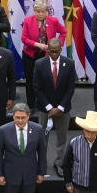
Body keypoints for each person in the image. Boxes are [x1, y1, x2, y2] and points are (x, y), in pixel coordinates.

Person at [33, 38, 77, 178]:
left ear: (60, 49)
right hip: (44, 109)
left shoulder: (69, 64)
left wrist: (60, 107)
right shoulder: (39, 64)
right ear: (48, 50)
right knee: (42, 138)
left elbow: (70, 88)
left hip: (63, 109)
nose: (53, 54)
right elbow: (37, 88)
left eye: (56, 51)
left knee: (61, 138)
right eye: (51, 51)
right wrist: (49, 107)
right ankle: (41, 164)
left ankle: (60, 163)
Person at [20, 0, 66, 112]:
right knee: (30, 80)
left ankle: (45, 103)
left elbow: (63, 32)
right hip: (30, 55)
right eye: (38, 11)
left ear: (47, 11)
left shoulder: (53, 21)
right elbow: (24, 38)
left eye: (43, 11)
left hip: (46, 56)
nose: (41, 14)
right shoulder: (27, 20)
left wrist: (57, 44)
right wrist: (37, 45)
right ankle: (30, 104)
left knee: (45, 80)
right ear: (34, 11)